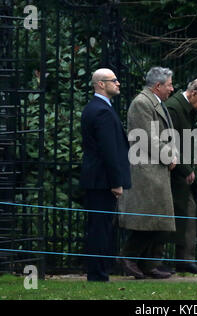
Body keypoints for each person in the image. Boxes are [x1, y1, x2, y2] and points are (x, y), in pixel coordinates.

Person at [119, 67, 177, 279]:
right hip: (146, 170)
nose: (172, 88)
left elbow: (164, 135)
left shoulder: (153, 102)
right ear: (158, 86)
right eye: (169, 84)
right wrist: (168, 156)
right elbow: (145, 137)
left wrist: (172, 153)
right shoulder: (142, 103)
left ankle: (148, 264)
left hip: (155, 169)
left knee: (158, 220)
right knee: (149, 220)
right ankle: (129, 256)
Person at [80, 68, 131, 282]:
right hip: (102, 181)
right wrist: (116, 182)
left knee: (99, 225)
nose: (118, 83)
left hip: (97, 179)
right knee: (100, 227)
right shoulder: (101, 111)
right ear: (101, 84)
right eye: (114, 80)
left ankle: (99, 270)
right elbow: (109, 151)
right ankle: (98, 273)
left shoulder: (97, 108)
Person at [165, 78, 197, 274]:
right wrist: (186, 169)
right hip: (174, 170)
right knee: (179, 211)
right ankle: (179, 259)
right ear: (193, 93)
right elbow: (169, 142)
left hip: (180, 169)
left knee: (189, 210)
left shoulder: (185, 108)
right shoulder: (175, 109)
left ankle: (185, 258)